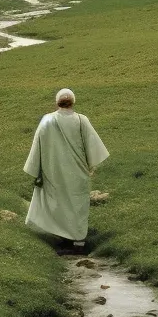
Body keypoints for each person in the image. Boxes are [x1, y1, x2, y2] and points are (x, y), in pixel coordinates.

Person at [23, 88, 109, 254]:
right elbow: (93, 146)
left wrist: (36, 168)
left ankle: (63, 236)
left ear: (57, 103)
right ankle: (77, 240)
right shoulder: (81, 120)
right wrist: (91, 165)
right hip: (77, 171)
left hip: (54, 170)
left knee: (58, 202)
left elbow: (37, 146)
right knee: (76, 204)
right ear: (73, 102)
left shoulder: (47, 120)